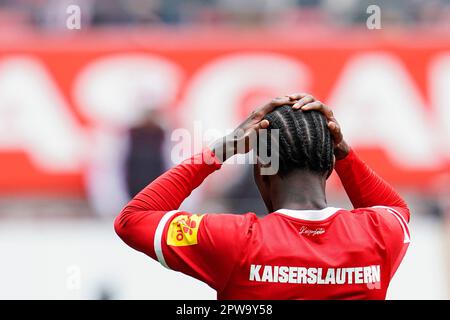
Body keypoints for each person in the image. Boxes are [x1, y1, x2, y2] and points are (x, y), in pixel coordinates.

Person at [114, 93, 410, 300]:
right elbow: (395, 208)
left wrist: (219, 151)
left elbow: (133, 219)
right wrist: (344, 152)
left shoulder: (234, 239)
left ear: (263, 167)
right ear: (331, 163)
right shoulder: (381, 233)